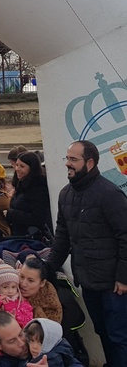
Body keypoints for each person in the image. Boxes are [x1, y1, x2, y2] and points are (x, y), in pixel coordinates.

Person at [46, 140, 127, 367]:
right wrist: (47, 267)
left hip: (114, 286)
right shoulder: (65, 195)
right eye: (67, 159)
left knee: (119, 337)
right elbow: (62, 237)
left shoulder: (109, 194)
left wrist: (123, 277)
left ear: (89, 163)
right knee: (103, 332)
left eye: (73, 160)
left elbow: (125, 236)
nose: (68, 164)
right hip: (89, 282)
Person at [6, 152, 53, 239]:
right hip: (20, 234)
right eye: (16, 165)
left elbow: (38, 218)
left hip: (32, 237)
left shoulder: (38, 188)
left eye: (22, 166)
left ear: (32, 169)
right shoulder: (21, 185)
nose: (17, 169)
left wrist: (11, 213)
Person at [19, 257, 62, 323]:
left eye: (30, 280)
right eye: (21, 277)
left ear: (42, 283)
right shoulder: (9, 283)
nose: (23, 284)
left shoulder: (52, 309)